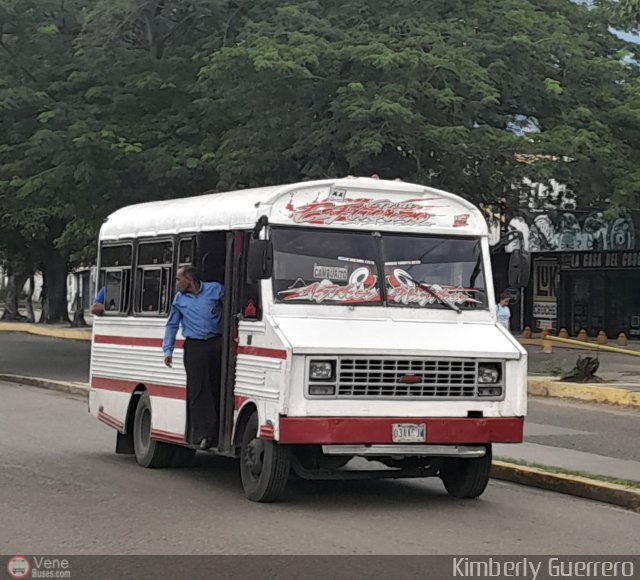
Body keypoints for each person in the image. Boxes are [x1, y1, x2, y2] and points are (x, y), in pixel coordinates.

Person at [163, 266, 224, 450]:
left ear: (189, 280)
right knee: (197, 391)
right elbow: (172, 324)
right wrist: (168, 350)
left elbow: (230, 307)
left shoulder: (216, 289)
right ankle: (203, 434)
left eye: (178, 279)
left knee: (216, 386)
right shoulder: (179, 300)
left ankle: (218, 431)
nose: (176, 283)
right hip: (195, 346)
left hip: (216, 343)